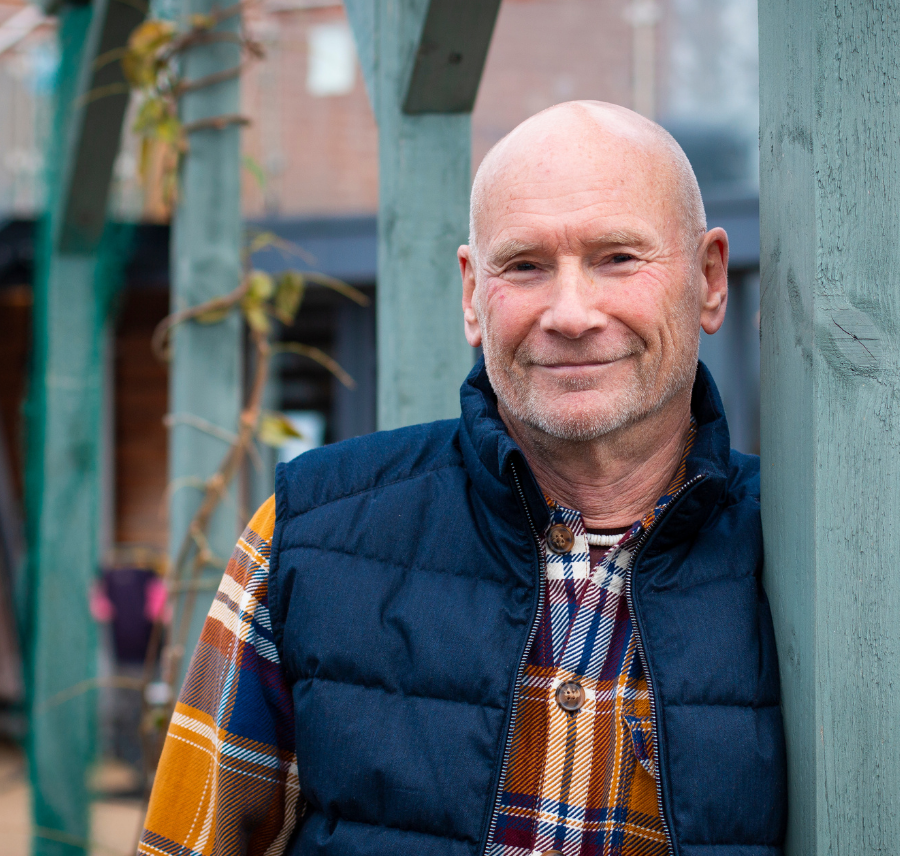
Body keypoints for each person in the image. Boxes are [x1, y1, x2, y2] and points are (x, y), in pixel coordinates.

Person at [139, 101, 786, 856]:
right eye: (525, 266)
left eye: (617, 257)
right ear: (473, 294)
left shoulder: (808, 559)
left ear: (710, 280)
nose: (571, 313)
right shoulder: (308, 539)